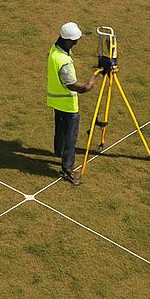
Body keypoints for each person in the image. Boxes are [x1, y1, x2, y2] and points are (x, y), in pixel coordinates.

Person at [47, 21, 98, 185]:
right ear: (67, 40)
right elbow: (74, 86)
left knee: (60, 131)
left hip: (57, 102)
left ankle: (57, 152)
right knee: (70, 139)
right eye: (75, 40)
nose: (76, 43)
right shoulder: (64, 62)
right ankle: (68, 170)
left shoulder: (55, 51)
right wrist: (90, 83)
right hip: (68, 105)